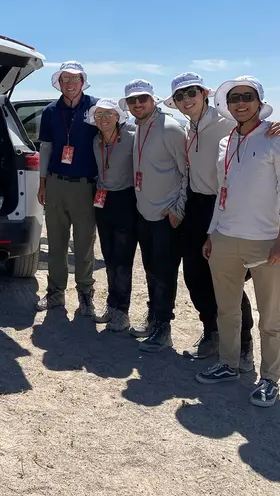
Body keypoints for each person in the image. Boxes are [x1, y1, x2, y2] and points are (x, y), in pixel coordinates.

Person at [163, 72, 257, 364]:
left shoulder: (227, 122)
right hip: (196, 207)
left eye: (190, 93)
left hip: (225, 206)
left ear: (204, 93)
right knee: (194, 274)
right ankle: (211, 332)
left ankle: (243, 343)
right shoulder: (189, 128)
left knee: (227, 277)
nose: (185, 100)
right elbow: (189, 173)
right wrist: (181, 209)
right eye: (179, 96)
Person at [198, 76, 280, 408]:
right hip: (224, 237)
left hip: (265, 241)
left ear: (259, 102)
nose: (240, 103)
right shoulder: (226, 141)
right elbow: (223, 192)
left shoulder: (275, 137)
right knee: (227, 309)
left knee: (271, 317)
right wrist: (211, 231)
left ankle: (271, 379)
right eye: (234, 98)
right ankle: (229, 364)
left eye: (247, 97)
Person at [120, 79, 187, 352]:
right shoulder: (139, 127)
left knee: (165, 274)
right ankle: (154, 318)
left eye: (142, 99)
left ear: (153, 99)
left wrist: (178, 208)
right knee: (151, 272)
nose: (138, 104)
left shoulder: (171, 129)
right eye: (133, 101)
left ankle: (163, 327)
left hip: (166, 217)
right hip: (145, 214)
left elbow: (188, 173)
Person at [36, 62, 98, 316]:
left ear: (83, 81)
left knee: (84, 244)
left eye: (75, 79)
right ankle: (55, 292)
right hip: (56, 183)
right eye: (65, 80)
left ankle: (85, 294)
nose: (70, 84)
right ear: (59, 83)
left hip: (85, 185)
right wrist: (42, 183)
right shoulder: (51, 111)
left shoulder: (96, 108)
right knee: (56, 242)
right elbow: (46, 148)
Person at [86, 98, 137, 332]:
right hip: (102, 200)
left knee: (123, 260)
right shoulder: (96, 140)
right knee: (109, 258)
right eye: (99, 115)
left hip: (126, 200)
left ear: (118, 116)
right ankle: (112, 305)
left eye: (108, 114)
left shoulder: (132, 136)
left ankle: (122, 312)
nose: (103, 119)